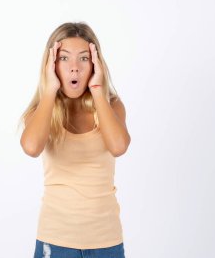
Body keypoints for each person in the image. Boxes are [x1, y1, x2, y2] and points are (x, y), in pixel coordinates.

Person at [19, 22, 131, 258]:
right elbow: (30, 147)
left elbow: (119, 146)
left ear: (95, 64)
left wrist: (99, 89)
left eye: (83, 59)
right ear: (52, 65)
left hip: (106, 240)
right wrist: (49, 90)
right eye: (64, 58)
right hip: (55, 238)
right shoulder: (42, 111)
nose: (74, 68)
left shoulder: (111, 106)